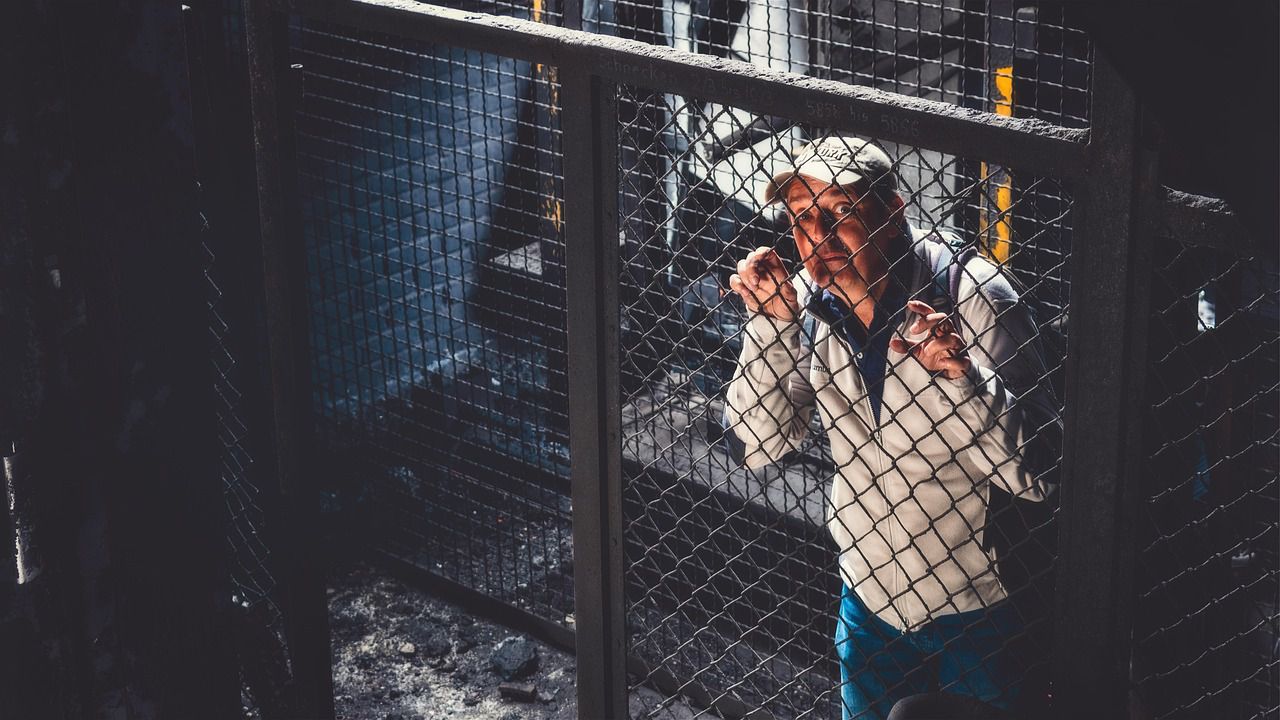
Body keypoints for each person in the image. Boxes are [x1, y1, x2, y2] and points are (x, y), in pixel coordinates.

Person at [722, 136, 1060, 719]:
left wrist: (961, 381)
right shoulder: (810, 302)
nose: (820, 238)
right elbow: (755, 446)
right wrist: (770, 329)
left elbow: (1044, 472)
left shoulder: (974, 294)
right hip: (868, 602)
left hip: (980, 612)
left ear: (894, 213)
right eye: (802, 218)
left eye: (841, 212)